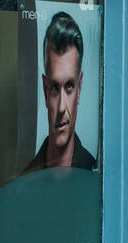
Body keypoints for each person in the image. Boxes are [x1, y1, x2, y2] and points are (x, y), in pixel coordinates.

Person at [24, 11, 97, 172]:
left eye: (69, 86)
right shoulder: (25, 185)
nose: (62, 107)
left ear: (79, 88)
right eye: (55, 88)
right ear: (45, 91)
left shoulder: (96, 179)